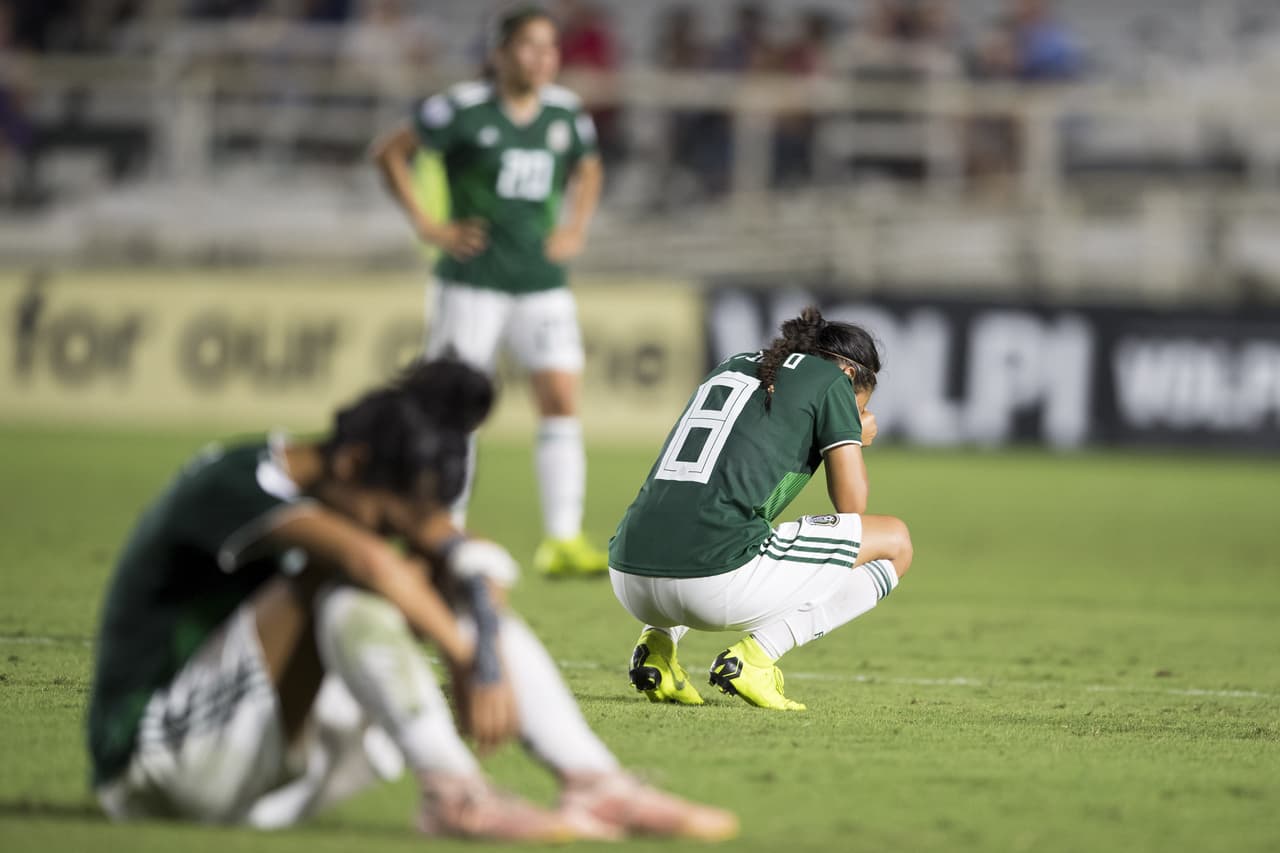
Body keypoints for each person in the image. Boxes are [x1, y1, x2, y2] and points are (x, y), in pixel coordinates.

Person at [86, 359, 739, 842]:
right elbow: (369, 560)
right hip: (158, 763)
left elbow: (464, 552)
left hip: (264, 759)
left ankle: (596, 784)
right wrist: (464, 654)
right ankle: (454, 795)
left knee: (437, 578)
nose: (391, 527)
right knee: (344, 581)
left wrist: (479, 633)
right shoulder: (236, 480)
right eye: (386, 512)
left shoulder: (358, 476)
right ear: (352, 463)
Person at [373, 4, 607, 578]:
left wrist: (576, 227)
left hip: (540, 282)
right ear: (499, 54)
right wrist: (430, 227)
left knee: (560, 399)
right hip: (472, 282)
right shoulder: (461, 109)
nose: (542, 58)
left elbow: (590, 167)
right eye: (529, 46)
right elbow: (391, 152)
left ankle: (562, 538)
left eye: (550, 48)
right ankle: (443, 531)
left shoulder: (566, 112)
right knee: (455, 407)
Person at [609, 308, 915, 711]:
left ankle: (657, 647)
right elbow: (852, 508)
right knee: (895, 541)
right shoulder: (831, 381)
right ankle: (756, 658)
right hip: (710, 582)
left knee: (711, 517)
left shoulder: (732, 365)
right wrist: (851, 431)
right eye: (859, 404)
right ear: (849, 376)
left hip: (628, 573)